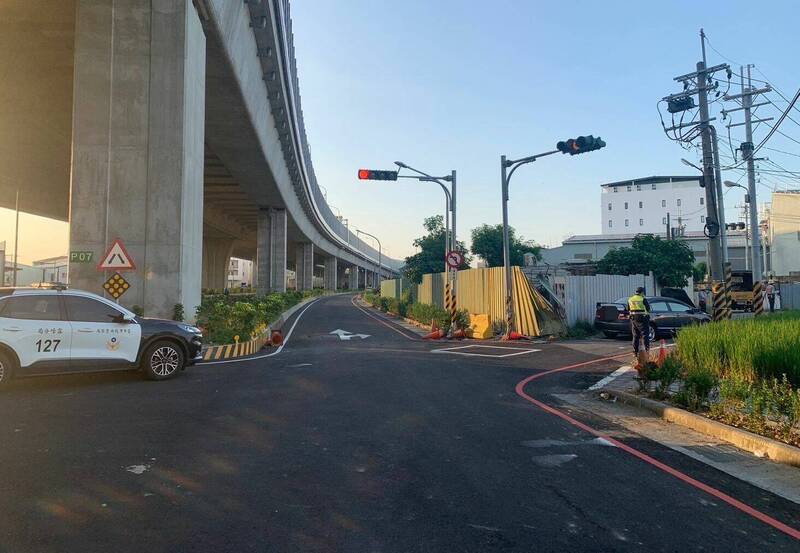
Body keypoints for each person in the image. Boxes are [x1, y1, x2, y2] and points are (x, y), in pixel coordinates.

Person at [628, 286, 652, 355]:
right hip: (643, 319)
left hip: (634, 319)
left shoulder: (630, 299)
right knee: (645, 335)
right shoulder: (643, 299)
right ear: (641, 292)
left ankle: (635, 352)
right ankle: (646, 351)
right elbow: (648, 309)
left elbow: (628, 309)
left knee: (635, 335)